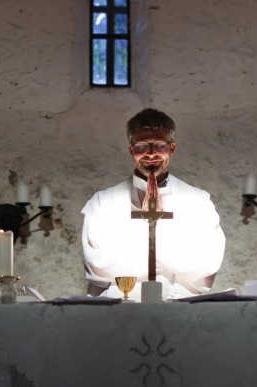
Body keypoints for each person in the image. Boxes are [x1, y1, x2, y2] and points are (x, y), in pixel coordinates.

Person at [81, 108, 225, 301]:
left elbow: (206, 264)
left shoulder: (199, 202)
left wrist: (129, 250)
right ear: (131, 150)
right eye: (141, 146)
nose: (150, 153)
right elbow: (98, 266)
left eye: (159, 145)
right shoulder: (102, 203)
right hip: (121, 307)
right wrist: (173, 252)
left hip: (180, 306)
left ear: (172, 149)